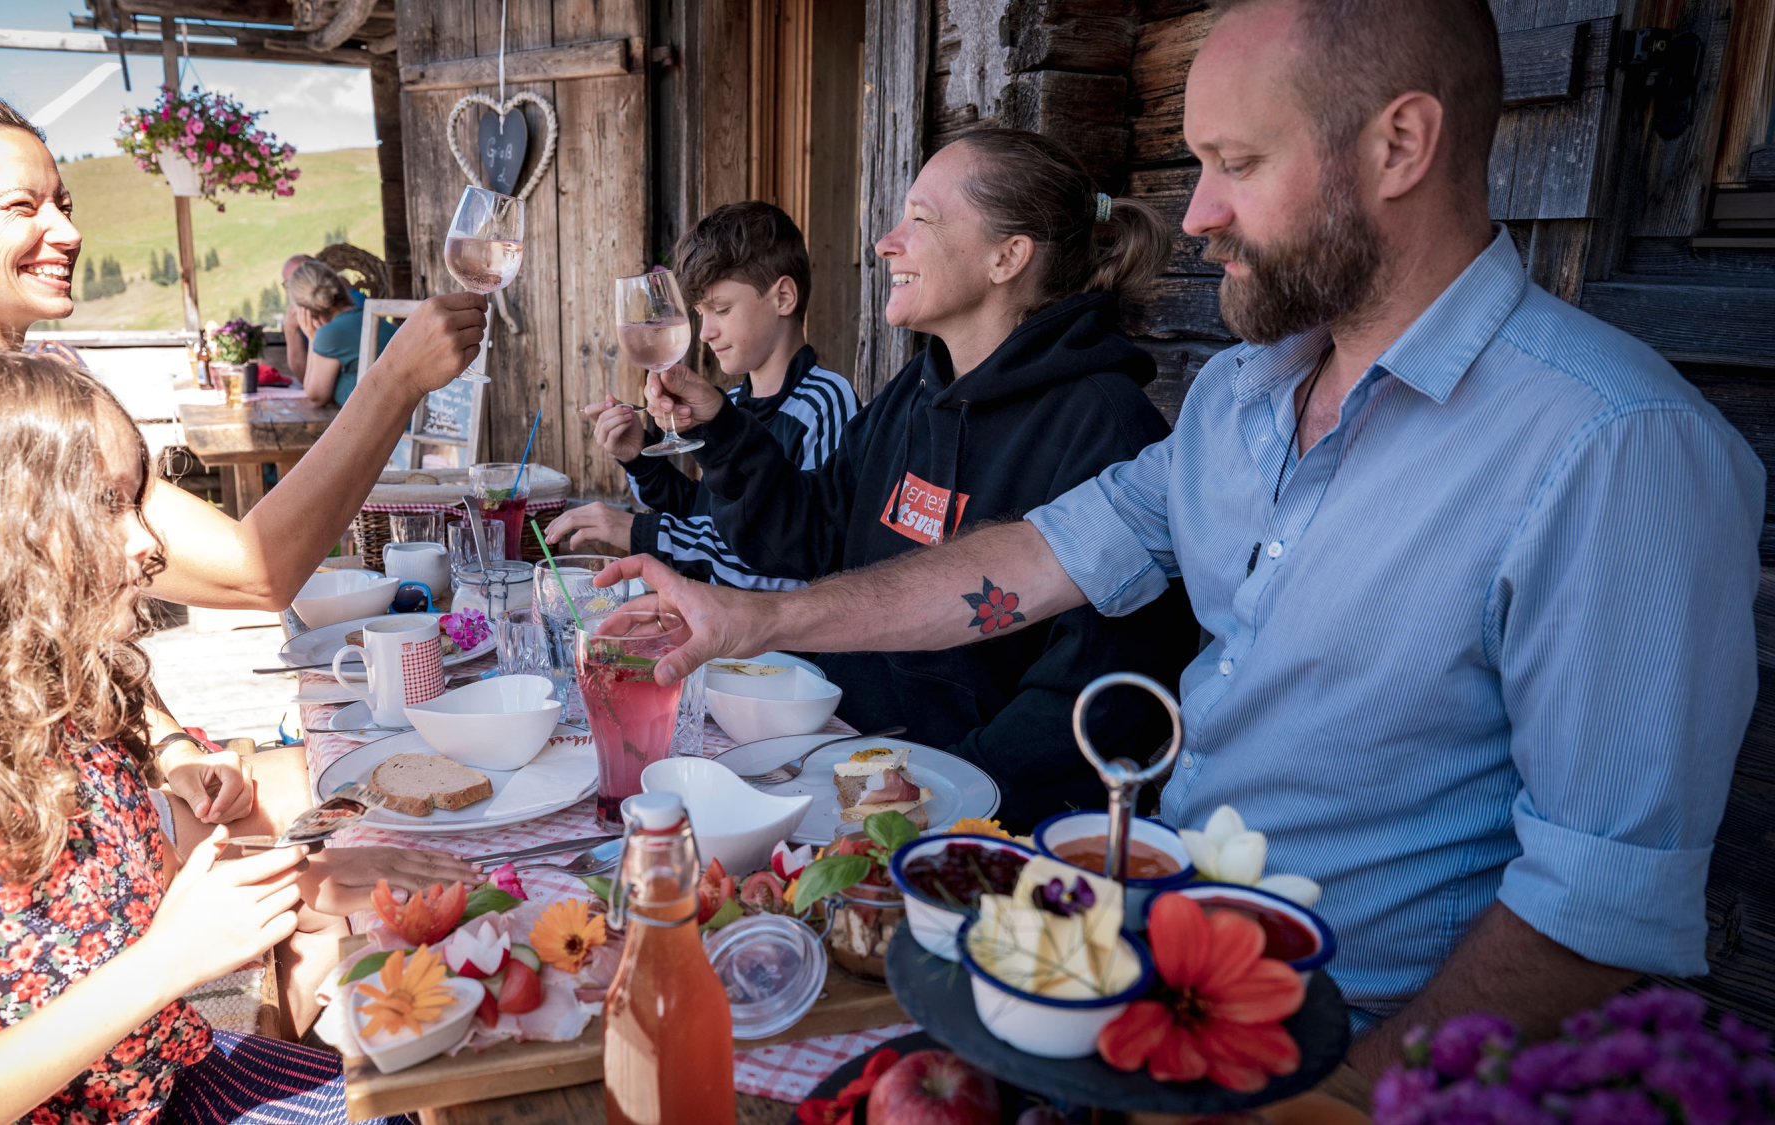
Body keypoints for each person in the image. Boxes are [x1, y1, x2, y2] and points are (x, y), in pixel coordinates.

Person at [614, 0, 1764, 1100]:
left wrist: (1342, 1105)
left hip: (1352, 1049)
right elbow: (1029, 562)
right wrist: (754, 620)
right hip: (1143, 977)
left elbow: (1597, 904)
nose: (1196, 211)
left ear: (1399, 144)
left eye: (1236, 163)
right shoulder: (1239, 397)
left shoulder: (1615, 446)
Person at [0, 341, 474, 1125]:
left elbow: (119, 904)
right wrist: (164, 965)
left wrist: (306, 881)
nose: (149, 543)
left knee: (443, 1091)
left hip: (173, 1075)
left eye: (137, 502)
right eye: (106, 506)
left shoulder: (62, 694)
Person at [640, 129, 1202, 827]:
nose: (884, 241)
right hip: (844, 763)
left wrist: (944, 797)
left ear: (1007, 256)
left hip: (973, 824)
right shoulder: (916, 390)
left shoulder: (1107, 427)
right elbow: (810, 538)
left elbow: (1101, 698)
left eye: (921, 219)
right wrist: (722, 428)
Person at [0, 92, 485, 617]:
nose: (67, 231)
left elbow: (62, 629)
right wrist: (395, 379)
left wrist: (173, 744)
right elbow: (256, 571)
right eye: (21, 207)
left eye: (62, 203)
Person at [545, 201, 859, 589]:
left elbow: (800, 560)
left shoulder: (825, 401)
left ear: (783, 298)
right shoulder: (736, 401)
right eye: (699, 314)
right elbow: (707, 516)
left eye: (721, 309)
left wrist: (641, 533)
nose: (706, 331)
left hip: (782, 647)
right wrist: (641, 459)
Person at [285, 256, 393, 408]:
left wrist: (312, 338)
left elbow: (315, 397)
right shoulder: (362, 316)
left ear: (305, 310)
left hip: (394, 428)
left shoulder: (331, 333)